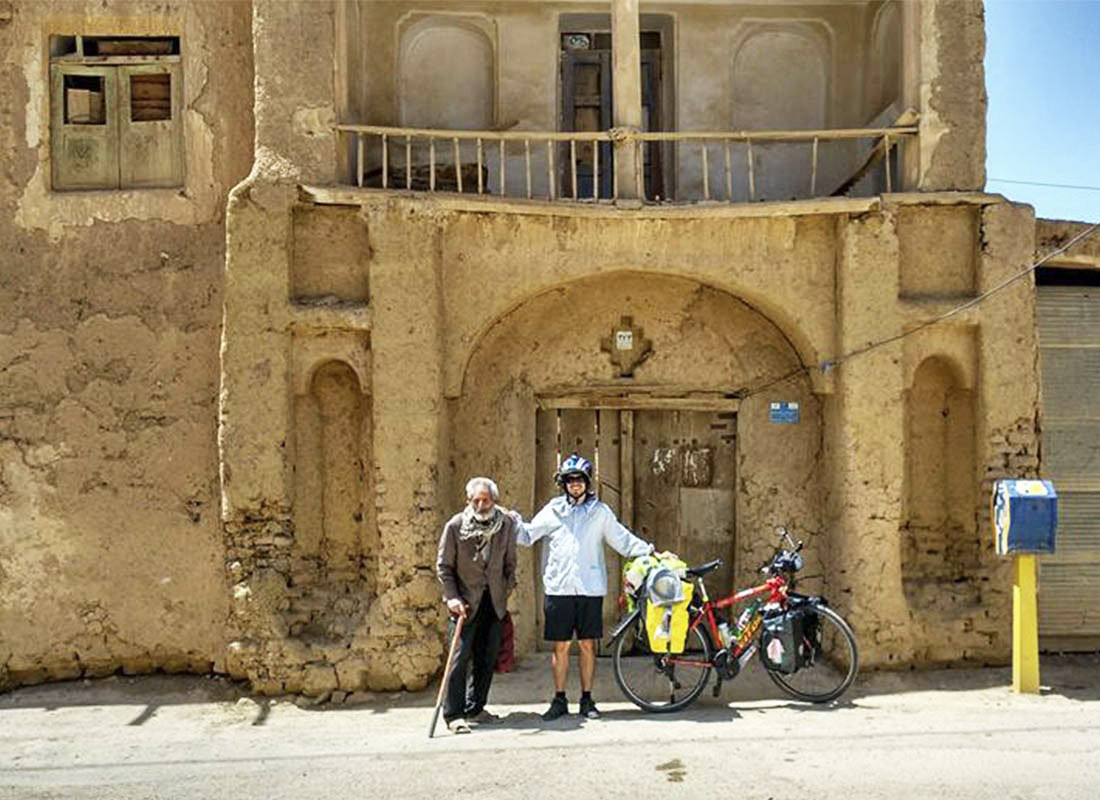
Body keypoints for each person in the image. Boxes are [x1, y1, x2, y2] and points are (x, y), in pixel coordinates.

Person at [514, 453, 653, 721]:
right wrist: (507, 522)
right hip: (559, 589)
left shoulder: (600, 512)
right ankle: (559, 699)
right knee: (561, 647)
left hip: (589, 588)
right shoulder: (553, 510)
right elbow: (529, 534)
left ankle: (587, 699)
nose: (575, 484)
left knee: (588, 645)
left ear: (587, 483)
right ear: (563, 483)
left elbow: (621, 539)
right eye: (570, 480)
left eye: (579, 479)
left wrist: (647, 550)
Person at [436, 476, 518, 734]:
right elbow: (444, 567)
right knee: (459, 659)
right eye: (476, 500)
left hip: (493, 602)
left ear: (494, 501)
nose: (481, 505)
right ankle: (454, 714)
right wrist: (452, 597)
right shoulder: (455, 526)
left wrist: (506, 588)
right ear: (469, 501)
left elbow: (510, 562)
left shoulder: (504, 525)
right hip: (464, 604)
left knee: (487, 657)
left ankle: (475, 707)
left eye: (486, 500)